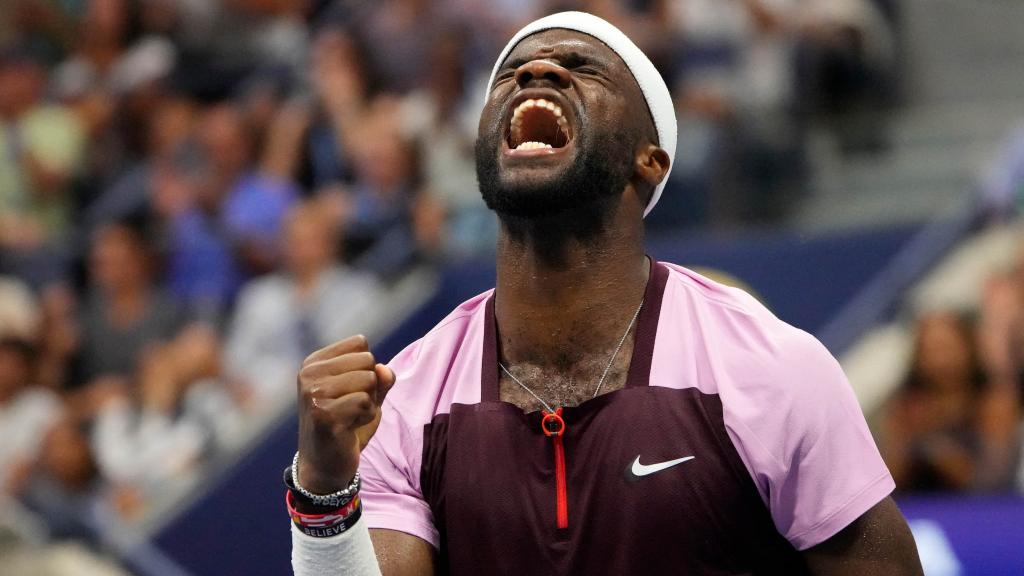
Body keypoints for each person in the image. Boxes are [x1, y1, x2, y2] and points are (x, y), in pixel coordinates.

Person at [286, 12, 922, 575]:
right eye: (509, 73)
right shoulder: (407, 399)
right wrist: (323, 490)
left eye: (582, 67)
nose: (535, 70)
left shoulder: (771, 368)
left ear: (651, 159)